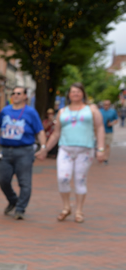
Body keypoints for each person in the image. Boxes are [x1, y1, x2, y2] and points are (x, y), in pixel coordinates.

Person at [35, 83, 104, 223]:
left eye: (78, 91)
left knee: (80, 179)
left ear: (83, 94)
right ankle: (66, 207)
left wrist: (101, 149)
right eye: (73, 92)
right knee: (63, 178)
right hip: (65, 149)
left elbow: (100, 128)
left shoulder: (91, 110)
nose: (75, 94)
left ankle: (79, 211)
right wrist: (45, 149)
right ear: (69, 95)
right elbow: (56, 134)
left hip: (85, 150)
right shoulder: (62, 111)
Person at [0, 86, 46, 220]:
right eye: (13, 93)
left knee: (25, 182)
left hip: (24, 151)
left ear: (24, 96)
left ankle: (20, 209)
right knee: (2, 180)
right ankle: (13, 200)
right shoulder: (5, 111)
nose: (15, 95)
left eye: (18, 93)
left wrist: (43, 147)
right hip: (5, 150)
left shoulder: (31, 112)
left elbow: (39, 130)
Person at [98, 100, 118, 164]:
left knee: (107, 145)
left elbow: (116, 120)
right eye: (105, 104)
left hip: (109, 131)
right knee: (101, 145)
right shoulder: (100, 111)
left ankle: (106, 158)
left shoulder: (113, 111)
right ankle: (102, 155)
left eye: (107, 104)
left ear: (109, 105)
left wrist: (111, 123)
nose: (106, 106)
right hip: (100, 131)